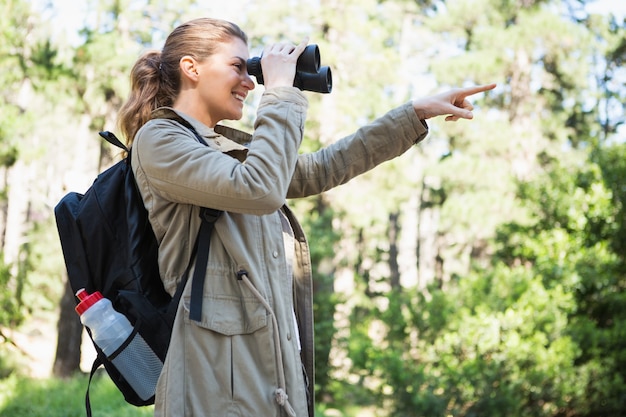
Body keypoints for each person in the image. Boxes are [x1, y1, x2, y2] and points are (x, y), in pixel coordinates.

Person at [116, 17, 495, 417]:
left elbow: (318, 169)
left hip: (266, 371)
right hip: (214, 383)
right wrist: (279, 92)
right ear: (191, 68)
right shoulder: (160, 140)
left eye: (254, 69)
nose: (250, 81)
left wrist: (414, 114)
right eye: (238, 67)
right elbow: (260, 188)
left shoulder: (220, 144)